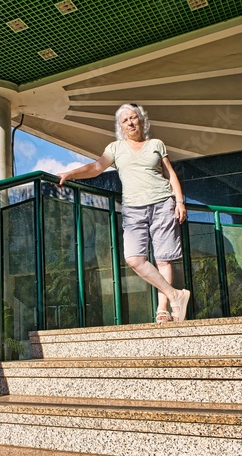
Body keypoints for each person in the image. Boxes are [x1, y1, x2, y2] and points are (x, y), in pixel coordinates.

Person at [57, 103, 190, 322]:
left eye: (133, 118)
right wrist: (71, 174)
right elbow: (96, 167)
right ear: (121, 126)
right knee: (134, 259)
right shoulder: (115, 148)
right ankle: (175, 295)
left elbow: (170, 174)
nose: (130, 122)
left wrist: (179, 201)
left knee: (164, 259)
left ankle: (163, 309)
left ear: (141, 120)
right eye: (125, 120)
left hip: (162, 204)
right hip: (133, 209)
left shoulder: (156, 144)